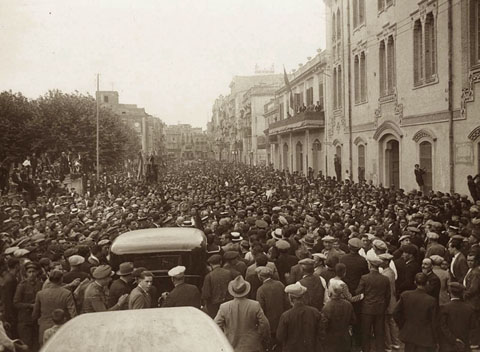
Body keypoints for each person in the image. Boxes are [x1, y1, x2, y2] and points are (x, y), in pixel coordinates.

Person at [214, 276, 270, 352]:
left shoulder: (224, 307)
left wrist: (224, 336)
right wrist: (258, 334)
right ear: (246, 291)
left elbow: (215, 325)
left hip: (231, 345)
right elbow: (265, 324)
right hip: (251, 345)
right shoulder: (255, 305)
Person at [355, 252, 391, 352]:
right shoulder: (385, 279)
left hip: (367, 309)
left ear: (370, 265)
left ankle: (366, 350)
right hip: (380, 309)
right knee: (379, 332)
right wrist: (384, 306)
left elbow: (358, 292)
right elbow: (388, 296)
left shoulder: (364, 278)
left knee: (366, 332)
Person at [394, 273, 438, 352]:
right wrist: (436, 338)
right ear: (427, 283)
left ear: (415, 282)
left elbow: (396, 313)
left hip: (409, 334)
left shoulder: (405, 295)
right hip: (424, 337)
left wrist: (403, 325)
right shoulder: (431, 300)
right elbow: (433, 321)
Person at [276, 282, 325, 352]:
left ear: (290, 298)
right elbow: (322, 333)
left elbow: (280, 337)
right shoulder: (315, 312)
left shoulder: (286, 316)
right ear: (303, 297)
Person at [32, 269, 77, 346]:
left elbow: (35, 314)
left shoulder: (40, 294)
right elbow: (73, 313)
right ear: (61, 279)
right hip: (62, 327)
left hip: (44, 327)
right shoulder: (67, 293)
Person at [255, 266, 289, 351]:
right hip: (283, 320)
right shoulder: (280, 284)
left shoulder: (261, 290)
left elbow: (260, 309)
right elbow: (287, 302)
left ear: (260, 276)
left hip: (270, 323)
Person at [439, 282, 476, 352]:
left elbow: (442, 327)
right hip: (464, 345)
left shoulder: (444, 308)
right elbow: (473, 328)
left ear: (449, 293)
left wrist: (454, 339)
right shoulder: (470, 309)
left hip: (448, 346)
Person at [14, 262, 43, 350]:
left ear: (37, 272)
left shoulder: (40, 284)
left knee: (36, 344)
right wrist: (31, 305)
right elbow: (16, 303)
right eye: (29, 272)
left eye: (33, 271)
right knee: (26, 344)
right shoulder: (21, 286)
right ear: (26, 273)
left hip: (36, 319)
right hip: (25, 320)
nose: (31, 274)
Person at [322, 283, 356, 352]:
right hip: (345, 339)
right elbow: (353, 321)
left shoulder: (327, 307)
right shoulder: (348, 305)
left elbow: (323, 325)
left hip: (331, 341)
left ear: (330, 293)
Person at [202, 254, 236, 318]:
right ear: (220, 262)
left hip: (214, 306)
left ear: (211, 264)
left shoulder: (209, 276)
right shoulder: (229, 273)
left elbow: (206, 294)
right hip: (228, 303)